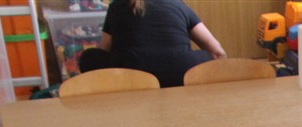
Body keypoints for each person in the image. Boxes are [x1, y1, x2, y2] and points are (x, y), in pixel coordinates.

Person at [79, 0, 226, 87]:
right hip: (180, 73)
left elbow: (104, 48)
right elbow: (216, 51)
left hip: (131, 76)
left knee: (89, 57)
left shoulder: (117, 5)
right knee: (207, 56)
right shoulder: (178, 4)